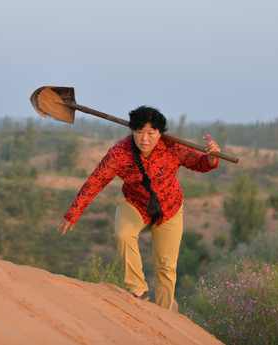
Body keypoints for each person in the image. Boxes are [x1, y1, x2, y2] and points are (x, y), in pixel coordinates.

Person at [58, 106, 220, 310]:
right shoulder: (120, 153)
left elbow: (200, 164)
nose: (144, 139)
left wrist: (212, 157)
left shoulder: (172, 146)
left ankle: (165, 313)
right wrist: (73, 214)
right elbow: (95, 181)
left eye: (151, 133)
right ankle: (138, 290)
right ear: (132, 131)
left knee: (166, 266)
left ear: (160, 133)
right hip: (135, 204)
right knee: (123, 235)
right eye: (139, 132)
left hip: (169, 208)